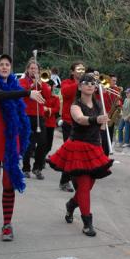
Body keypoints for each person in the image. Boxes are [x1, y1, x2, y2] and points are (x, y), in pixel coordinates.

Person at [0, 54, 45, 241]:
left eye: (7, 64)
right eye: (0, 64)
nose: (4, 67)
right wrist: (27, 93)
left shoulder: (16, 86)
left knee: (8, 184)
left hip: (12, 138)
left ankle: (7, 224)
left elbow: (19, 97)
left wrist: (31, 89)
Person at [47, 74, 113, 237]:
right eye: (86, 83)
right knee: (84, 186)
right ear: (80, 86)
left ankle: (71, 205)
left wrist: (104, 124)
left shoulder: (98, 104)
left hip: (94, 148)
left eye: (93, 83)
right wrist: (97, 119)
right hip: (77, 148)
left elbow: (102, 128)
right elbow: (80, 119)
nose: (90, 85)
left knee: (88, 187)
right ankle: (87, 222)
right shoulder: (75, 105)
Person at [19, 60, 50, 180]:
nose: (34, 70)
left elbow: (47, 96)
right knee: (28, 143)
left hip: (39, 116)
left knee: (42, 143)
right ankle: (26, 168)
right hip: (27, 115)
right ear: (27, 70)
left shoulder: (43, 82)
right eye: (31, 68)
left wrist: (41, 85)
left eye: (35, 69)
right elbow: (22, 93)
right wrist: (32, 86)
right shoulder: (22, 81)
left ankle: (37, 167)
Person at [58, 61, 86, 192]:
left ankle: (70, 179)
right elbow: (65, 92)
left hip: (82, 122)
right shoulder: (66, 83)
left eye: (83, 70)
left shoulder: (86, 83)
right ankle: (65, 181)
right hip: (69, 122)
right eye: (78, 70)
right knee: (70, 153)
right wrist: (80, 83)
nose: (81, 72)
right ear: (72, 72)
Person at [44, 80, 60, 164]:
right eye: (52, 86)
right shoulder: (42, 95)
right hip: (43, 122)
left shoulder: (55, 97)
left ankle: (41, 156)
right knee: (42, 143)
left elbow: (57, 108)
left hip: (50, 122)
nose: (54, 88)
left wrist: (48, 109)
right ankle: (40, 159)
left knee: (49, 145)